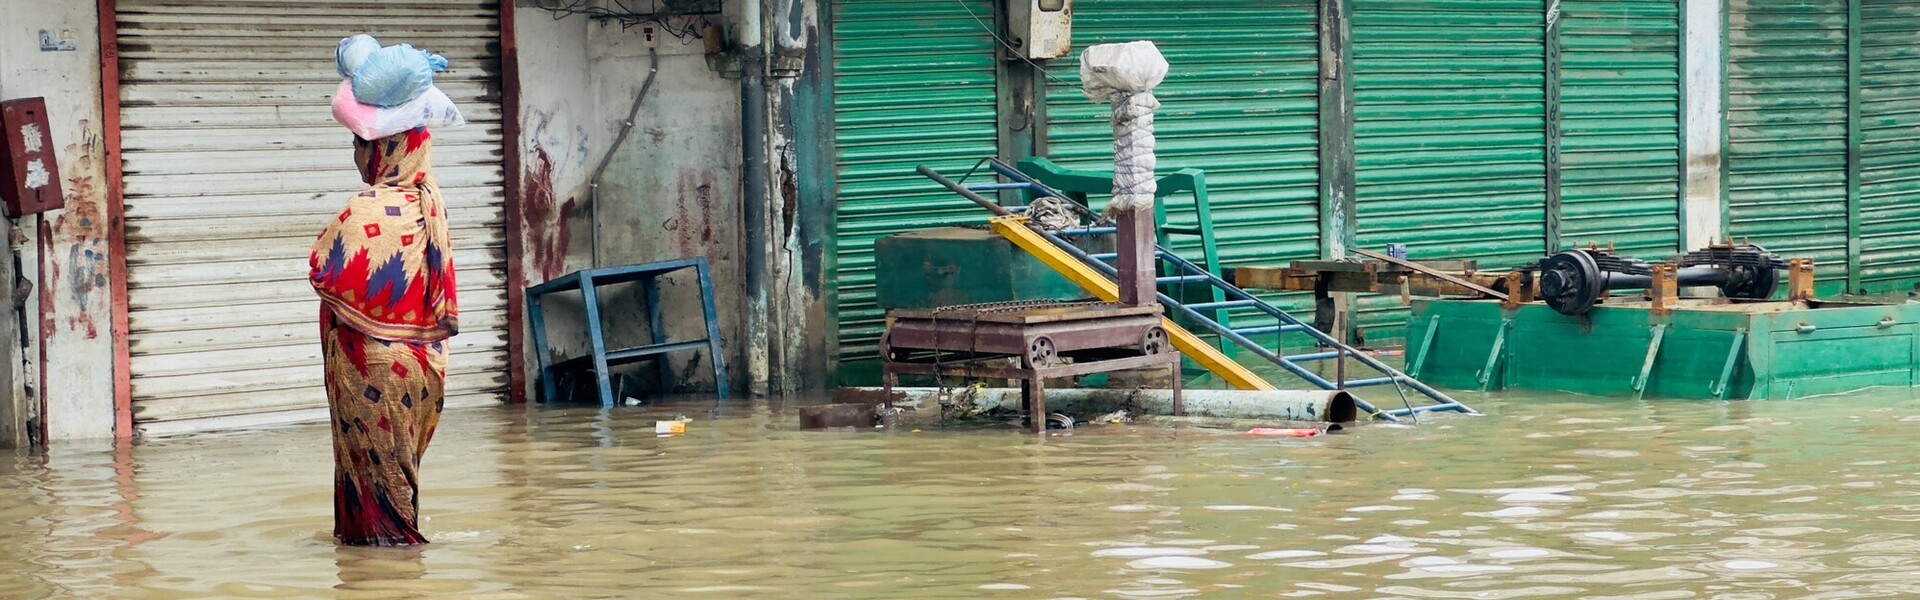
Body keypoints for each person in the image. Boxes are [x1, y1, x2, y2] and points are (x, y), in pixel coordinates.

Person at [309, 127, 459, 546]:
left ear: (383, 151)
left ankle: (385, 572)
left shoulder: (368, 209)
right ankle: (397, 571)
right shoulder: (429, 202)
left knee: (378, 484)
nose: (355, 157)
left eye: (359, 146)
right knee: (398, 471)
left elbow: (327, 269)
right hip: (423, 367)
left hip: (372, 369)